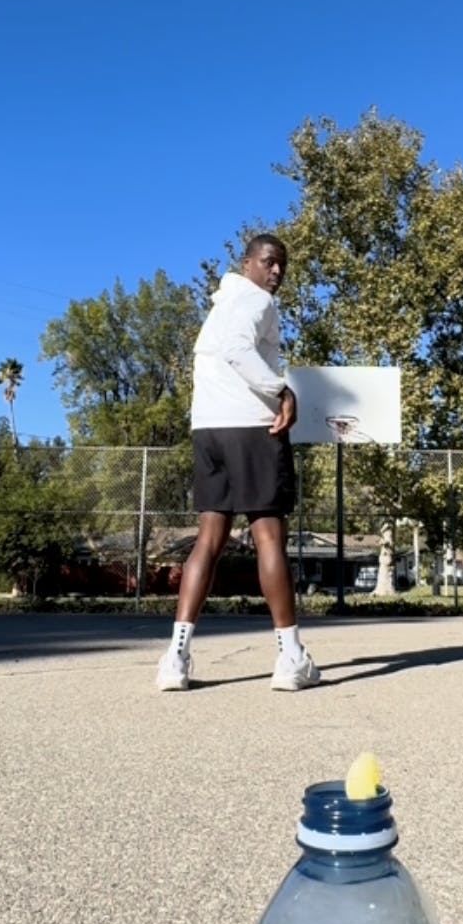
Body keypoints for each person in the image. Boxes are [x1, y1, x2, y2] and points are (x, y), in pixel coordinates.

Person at [156, 234, 321, 693]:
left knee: (210, 538)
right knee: (268, 536)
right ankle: (290, 657)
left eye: (282, 266)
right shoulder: (256, 303)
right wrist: (281, 390)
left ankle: (176, 657)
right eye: (269, 262)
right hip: (250, 428)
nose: (277, 273)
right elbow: (237, 349)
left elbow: (222, 350)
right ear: (247, 263)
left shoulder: (221, 304)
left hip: (208, 429)